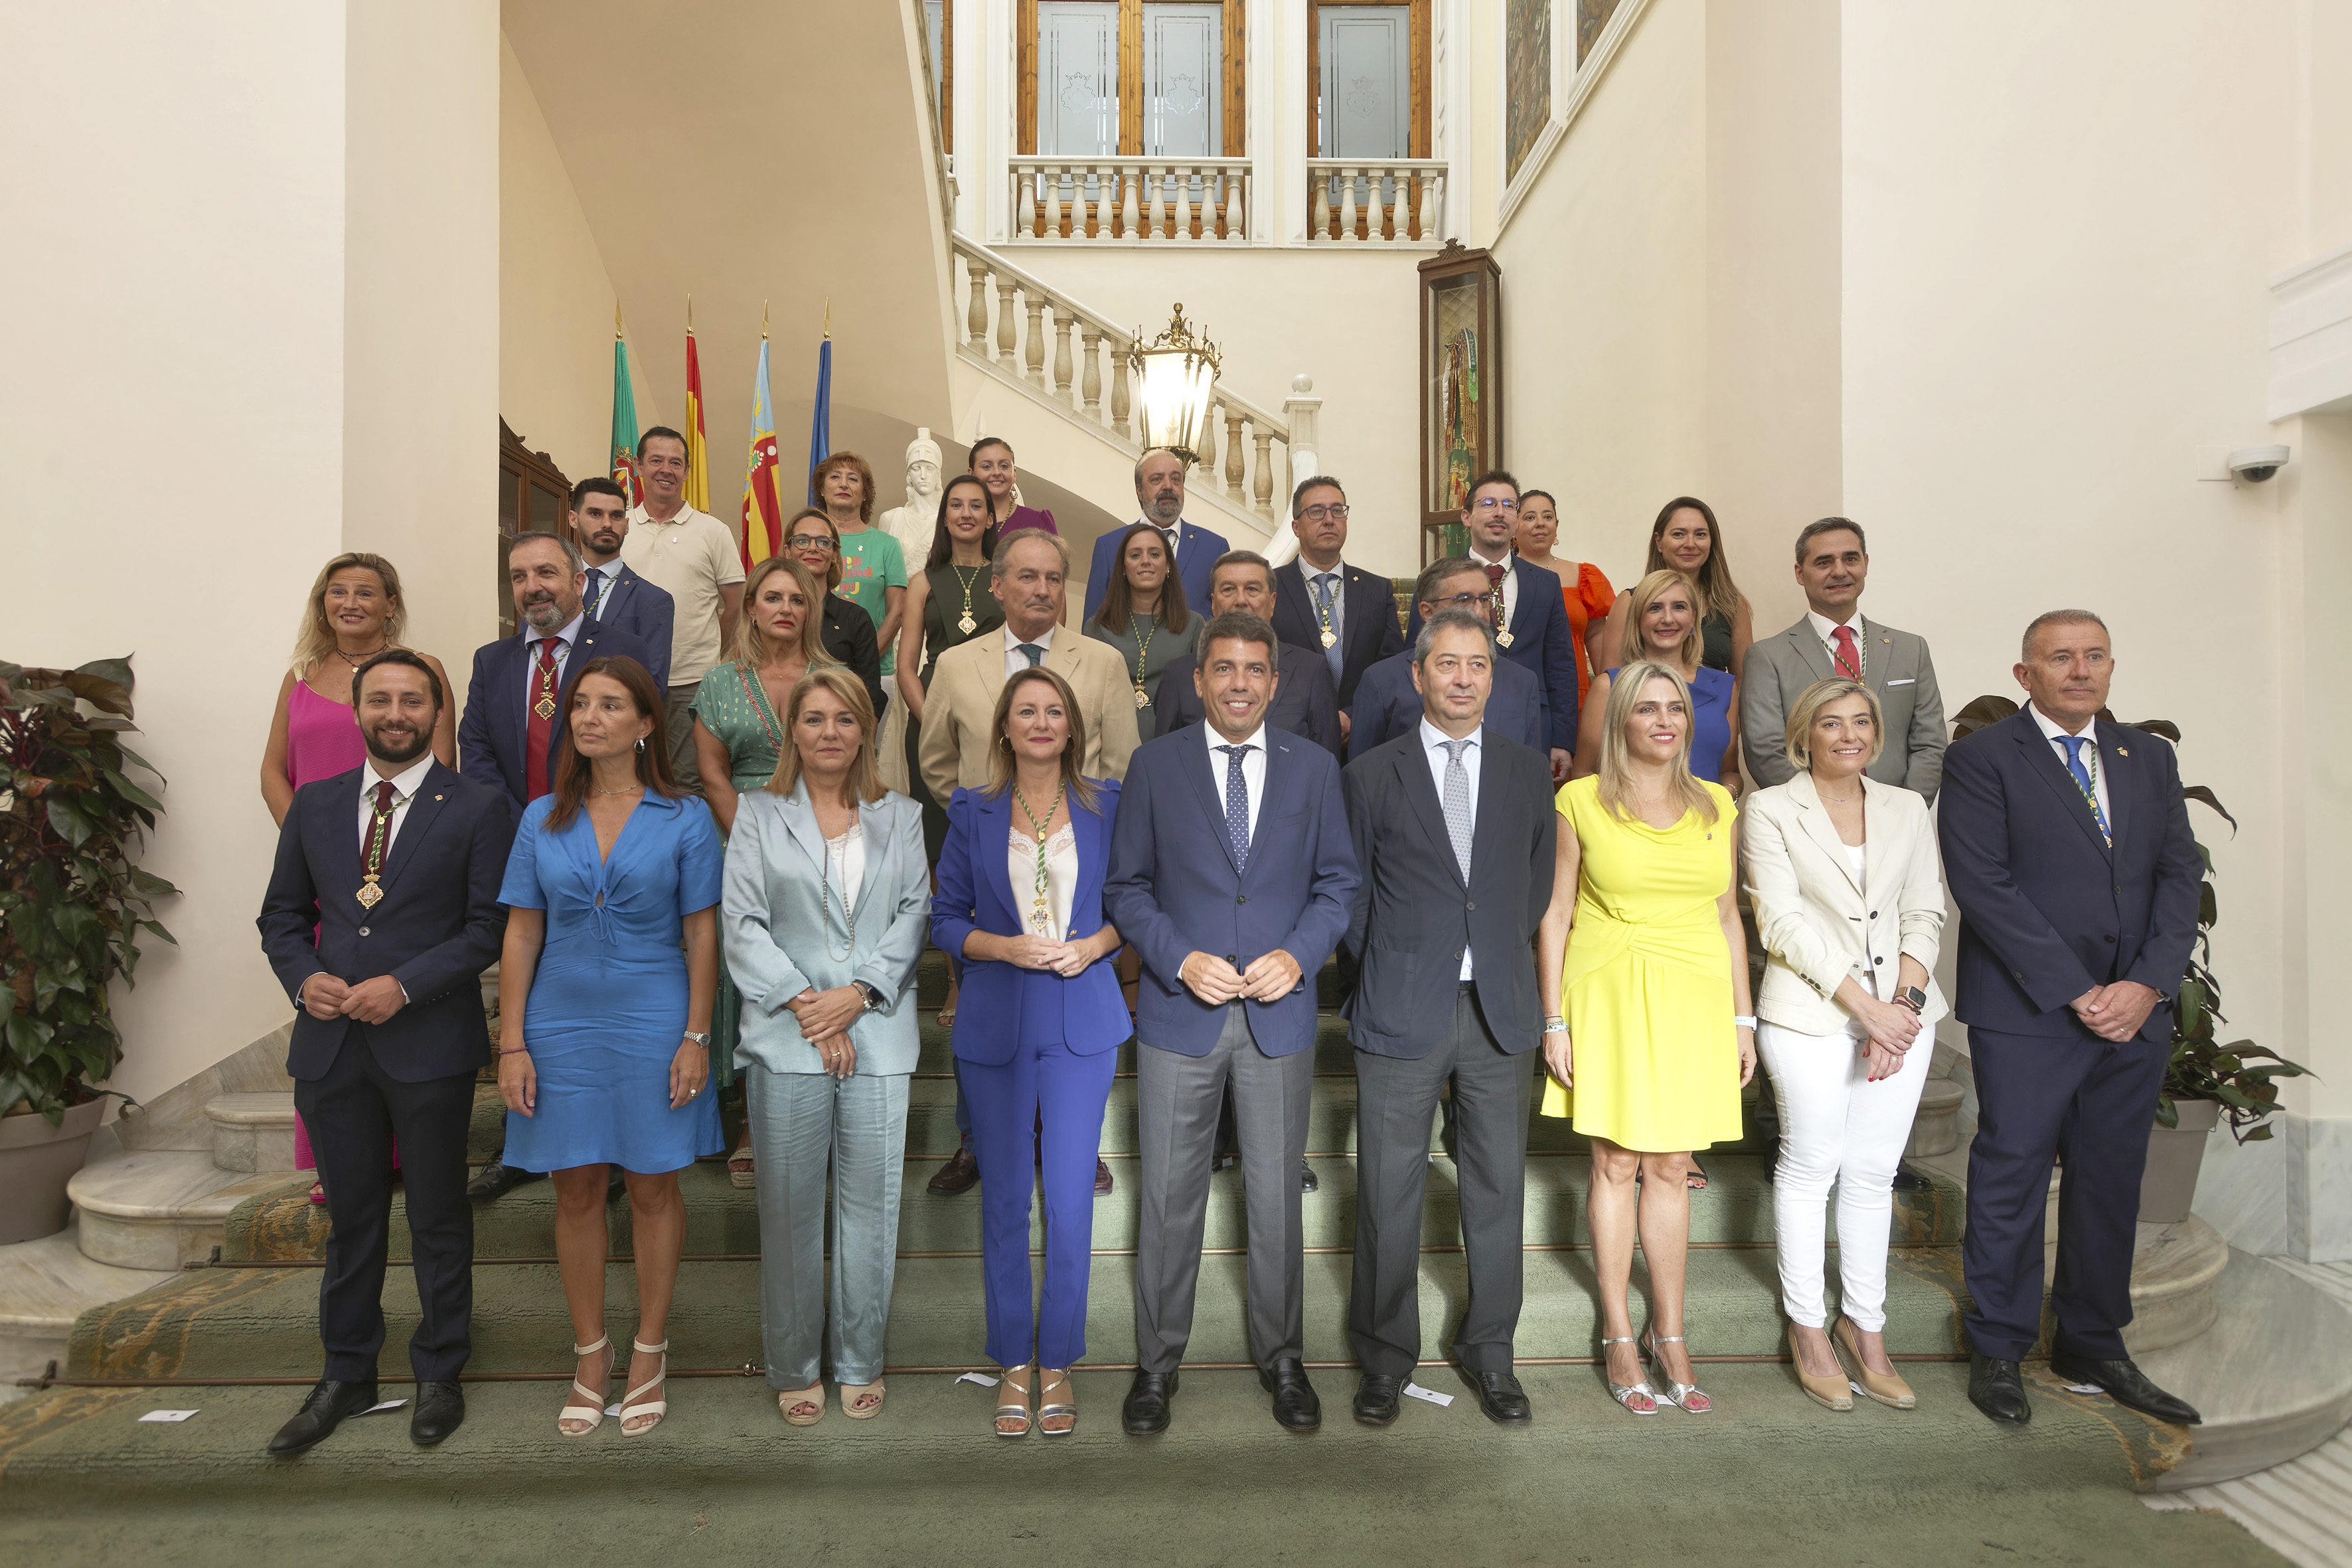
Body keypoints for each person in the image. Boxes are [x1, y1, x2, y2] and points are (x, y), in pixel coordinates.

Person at [1939, 611, 2205, 1431]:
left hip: (2135, 1011)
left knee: (2111, 1178)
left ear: (2112, 668)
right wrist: (2078, 990)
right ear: (2026, 674)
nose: (2079, 670)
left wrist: (2149, 985)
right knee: (2011, 1174)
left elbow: (2177, 873)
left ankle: (2092, 1341)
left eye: (2093, 657)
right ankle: (2000, 1344)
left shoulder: (2148, 757)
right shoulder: (1982, 758)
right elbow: (1983, 885)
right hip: (2030, 1011)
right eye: (2061, 658)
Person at [1104, 611, 1360, 1435]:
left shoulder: (1316, 768)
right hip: (1182, 1013)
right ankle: (1156, 1365)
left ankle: (1283, 1358)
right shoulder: (1154, 765)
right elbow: (1126, 890)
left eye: (1255, 669)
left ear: (1276, 682)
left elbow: (1338, 886)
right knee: (1171, 1197)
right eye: (1225, 668)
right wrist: (1180, 958)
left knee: (1277, 1197)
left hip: (1278, 1014)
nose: (1240, 682)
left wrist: (1300, 955)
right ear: (1200, 678)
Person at [256, 650, 514, 1453]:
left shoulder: (478, 805)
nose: (395, 713)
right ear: (359, 710)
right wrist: (306, 981)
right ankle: (347, 1371)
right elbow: (281, 920)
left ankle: (439, 1371)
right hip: (331, 1047)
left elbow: (487, 928)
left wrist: (405, 985)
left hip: (428, 1044)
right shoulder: (317, 803)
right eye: (380, 700)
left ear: (437, 710)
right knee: (354, 1220)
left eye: (412, 700)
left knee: (438, 1218)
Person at [494, 655, 722, 1438]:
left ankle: (650, 1349)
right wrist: (511, 1042)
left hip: (655, 1016)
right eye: (582, 704)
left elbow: (702, 932)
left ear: (647, 722)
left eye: (611, 704)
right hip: (558, 1020)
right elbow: (522, 930)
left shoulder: (683, 814)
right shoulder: (540, 817)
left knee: (655, 1187)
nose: (590, 716)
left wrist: (697, 1036)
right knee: (575, 1189)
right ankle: (591, 1354)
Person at [1341, 609, 1555, 1427]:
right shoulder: (1370, 774)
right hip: (1400, 1006)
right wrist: (1396, 964)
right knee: (1388, 1192)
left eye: (1478, 665)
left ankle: (1491, 1351)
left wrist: (1490, 951)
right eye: (1448, 665)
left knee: (1498, 1190)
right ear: (1418, 675)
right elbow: (1354, 897)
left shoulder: (1529, 772)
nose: (1464, 678)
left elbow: (1533, 890)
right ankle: (1386, 1356)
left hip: (1499, 1010)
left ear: (1491, 679)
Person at [1536, 662, 1756, 1417]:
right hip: (1610, 986)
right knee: (1617, 1159)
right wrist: (1554, 1020)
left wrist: (1743, 1017)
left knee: (1670, 1164)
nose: (1664, 720)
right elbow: (1556, 914)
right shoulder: (1578, 800)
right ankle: (1621, 1335)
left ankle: (1673, 1334)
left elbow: (1730, 917)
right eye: (1647, 709)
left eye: (1676, 708)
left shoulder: (1720, 803)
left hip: (1697, 991)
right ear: (1622, 721)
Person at [722, 666, 929, 1427]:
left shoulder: (900, 814)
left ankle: (860, 1360)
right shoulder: (758, 812)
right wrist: (811, 1006)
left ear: (865, 729)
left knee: (871, 1212)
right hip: (788, 1034)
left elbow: (914, 913)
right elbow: (741, 921)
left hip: (876, 1033)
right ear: (793, 731)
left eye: (845, 718)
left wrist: (859, 996)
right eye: (814, 718)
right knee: (789, 1212)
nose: (831, 732)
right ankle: (794, 1364)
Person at [1743, 678, 1947, 1413]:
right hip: (1809, 1014)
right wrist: (1866, 1008)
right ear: (1805, 735)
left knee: (1871, 1171)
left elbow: (1926, 908)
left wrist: (1905, 1005)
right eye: (1832, 723)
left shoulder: (1907, 807)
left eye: (1862, 721)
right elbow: (1781, 924)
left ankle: (1868, 1329)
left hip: (1904, 1010)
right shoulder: (1769, 808)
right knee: (1812, 1163)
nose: (1850, 734)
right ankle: (1807, 1328)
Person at [932, 666, 1127, 1436]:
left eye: (1054, 710)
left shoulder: (1110, 805)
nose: (1041, 722)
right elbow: (945, 918)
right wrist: (1000, 947)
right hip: (996, 1016)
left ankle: (1060, 1361)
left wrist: (1098, 944)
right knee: (1007, 1199)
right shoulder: (972, 809)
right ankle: (1014, 1358)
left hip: (1082, 1017)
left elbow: (1137, 902)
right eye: (1026, 711)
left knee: (1072, 1199)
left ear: (1073, 726)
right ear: (1004, 728)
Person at [919, 527, 1138, 1196]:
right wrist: (986, 825)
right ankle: (976, 1140)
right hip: (992, 868)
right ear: (998, 585)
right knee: (989, 1006)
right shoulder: (957, 664)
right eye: (1026, 576)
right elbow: (935, 760)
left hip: (1079, 872)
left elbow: (1125, 764)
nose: (1040, 589)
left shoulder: (1102, 663)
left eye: (1052, 578)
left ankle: (1077, 1142)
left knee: (1076, 1023)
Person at [458, 532, 661, 1204]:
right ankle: (529, 1147)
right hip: (529, 842)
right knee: (533, 1005)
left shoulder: (620, 647)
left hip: (608, 843)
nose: (532, 586)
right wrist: (531, 823)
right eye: (519, 576)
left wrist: (576, 814)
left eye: (546, 571)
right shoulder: (492, 661)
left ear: (579, 581)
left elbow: (630, 737)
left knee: (602, 998)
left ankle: (612, 1151)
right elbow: (478, 751)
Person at [260, 552, 455, 1201]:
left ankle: (399, 1147)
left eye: (365, 592)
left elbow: (442, 771)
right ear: (323, 603)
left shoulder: (421, 672)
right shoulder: (299, 676)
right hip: (320, 868)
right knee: (326, 1005)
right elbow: (273, 771)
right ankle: (336, 1157)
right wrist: (316, 850)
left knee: (392, 995)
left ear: (390, 604)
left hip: (402, 862)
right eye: (337, 591)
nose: (350, 602)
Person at [690, 554, 840, 1187]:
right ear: (749, 606)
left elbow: (850, 763)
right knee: (751, 976)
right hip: (738, 841)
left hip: (826, 836)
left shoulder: (834, 678)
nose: (784, 608)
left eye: (797, 599)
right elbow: (712, 775)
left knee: (820, 966)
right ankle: (751, 1119)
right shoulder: (720, 682)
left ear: (810, 611)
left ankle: (826, 1108)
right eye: (772, 597)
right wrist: (758, 846)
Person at [897, 473, 1004, 1031]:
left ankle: (998, 971)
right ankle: (960, 980)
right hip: (934, 733)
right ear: (944, 516)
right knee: (945, 862)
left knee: (995, 851)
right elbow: (907, 664)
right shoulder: (922, 582)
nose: (965, 514)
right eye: (956, 505)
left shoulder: (1009, 576)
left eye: (976, 506)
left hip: (998, 733)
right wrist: (935, 723)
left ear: (991, 516)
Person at [1741, 517, 1946, 800]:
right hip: (1810, 823)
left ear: (1865, 564)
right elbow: (1767, 751)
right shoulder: (1768, 657)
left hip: (1898, 821)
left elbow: (1930, 744)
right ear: (1800, 573)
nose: (1839, 571)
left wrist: (1904, 813)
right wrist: (1827, 813)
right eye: (1824, 562)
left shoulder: (1911, 649)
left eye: (1850, 559)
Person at [1405, 471, 1578, 779]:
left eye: (1510, 505)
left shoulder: (1545, 583)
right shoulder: (1436, 580)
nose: (1500, 512)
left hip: (1531, 723)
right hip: (1452, 721)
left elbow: (1561, 666)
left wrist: (1563, 740)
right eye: (1488, 503)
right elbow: (1416, 658)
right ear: (1467, 517)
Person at [618, 426, 745, 791]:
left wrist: (707, 653)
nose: (666, 469)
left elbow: (735, 605)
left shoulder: (713, 531)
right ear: (639, 466)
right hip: (628, 677)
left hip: (694, 682)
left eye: (676, 463)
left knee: (688, 783)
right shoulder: (621, 528)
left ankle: (686, 850)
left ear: (687, 472)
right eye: (656, 460)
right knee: (627, 778)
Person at [1349, 557, 1545, 761]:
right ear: (1427, 611)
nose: (1479, 612)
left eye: (1485, 599)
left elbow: (1529, 775)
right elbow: (1363, 776)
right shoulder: (1381, 680)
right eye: (1464, 600)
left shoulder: (1522, 682)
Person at [1159, 550, 1342, 758]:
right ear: (1213, 602)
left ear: (1272, 602)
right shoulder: (1178, 674)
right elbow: (1163, 765)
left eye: (1252, 589)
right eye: (1228, 590)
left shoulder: (1311, 670)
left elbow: (1326, 766)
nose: (1240, 600)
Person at [1575, 570, 1740, 790]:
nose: (1668, 618)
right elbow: (1584, 773)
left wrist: (1726, 798)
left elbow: (1730, 772)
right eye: (1655, 608)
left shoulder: (1725, 687)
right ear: (1638, 619)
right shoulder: (1610, 687)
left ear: (1692, 619)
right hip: (1628, 820)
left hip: (1707, 820)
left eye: (1679, 607)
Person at [1268, 475, 1401, 740]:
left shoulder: (1377, 590)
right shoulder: (1269, 587)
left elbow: (1393, 665)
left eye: (1337, 511)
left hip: (1363, 737)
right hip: (1291, 737)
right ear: (1296, 527)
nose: (1329, 520)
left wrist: (1354, 714)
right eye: (1316, 512)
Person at [1592, 496, 1752, 684]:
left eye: (1700, 534)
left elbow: (1744, 685)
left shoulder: (1732, 605)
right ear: (1659, 542)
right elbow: (1612, 684)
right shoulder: (1629, 602)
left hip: (1712, 710)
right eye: (1678, 534)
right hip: (1646, 709)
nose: (1690, 543)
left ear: (1712, 542)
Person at [1081, 449, 1229, 623]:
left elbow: (1226, 620)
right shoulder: (1109, 546)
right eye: (1157, 479)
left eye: (1176, 479)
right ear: (1140, 491)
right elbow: (1092, 627)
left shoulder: (1214, 547)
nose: (1168, 486)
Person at [1085, 521, 1201, 740]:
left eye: (1155, 554)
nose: (1145, 561)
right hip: (1112, 744)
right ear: (1122, 567)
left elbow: (1201, 699)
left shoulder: (1194, 625)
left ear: (1168, 566)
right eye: (1135, 555)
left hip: (1175, 744)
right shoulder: (1097, 628)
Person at [780, 505, 888, 720]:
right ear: (787, 552)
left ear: (835, 555)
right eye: (802, 540)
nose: (813, 548)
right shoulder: (772, 613)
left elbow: (871, 699)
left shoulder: (856, 619)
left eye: (823, 542)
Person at [1512, 489, 1614, 712]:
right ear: (1514, 525)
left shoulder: (1584, 576)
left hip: (1574, 696)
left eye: (1547, 517)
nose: (1540, 523)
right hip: (1519, 695)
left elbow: (1601, 655)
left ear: (1557, 525)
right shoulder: (1502, 577)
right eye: (1530, 517)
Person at [569, 477, 676, 688]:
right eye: (595, 513)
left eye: (616, 516)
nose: (607, 523)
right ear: (574, 519)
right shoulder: (549, 591)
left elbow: (651, 684)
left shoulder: (653, 600)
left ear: (626, 526)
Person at [813, 451, 907, 689]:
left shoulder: (887, 545)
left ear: (865, 494)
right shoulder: (807, 543)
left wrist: (864, 660)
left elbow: (897, 612)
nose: (844, 483)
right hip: (813, 669)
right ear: (822, 490)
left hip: (874, 672)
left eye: (853, 479)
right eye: (835, 477)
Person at [970, 434, 1059, 536]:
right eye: (987, 466)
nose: (996, 473)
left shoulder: (1038, 523)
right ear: (971, 474)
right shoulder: (957, 520)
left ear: (1014, 474)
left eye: (1004, 466)